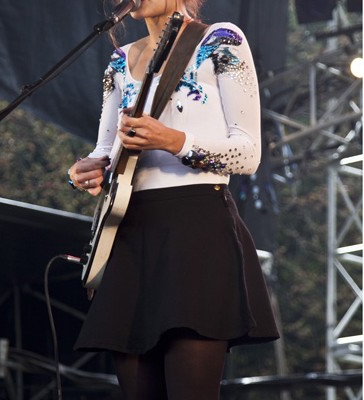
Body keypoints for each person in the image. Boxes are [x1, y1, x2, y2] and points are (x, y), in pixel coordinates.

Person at [68, 0, 279, 398]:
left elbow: (249, 153)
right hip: (130, 234)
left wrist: (174, 141)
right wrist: (89, 168)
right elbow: (106, 149)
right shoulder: (117, 62)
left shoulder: (220, 41)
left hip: (196, 230)